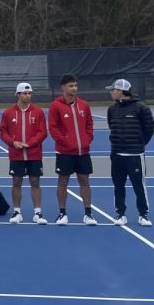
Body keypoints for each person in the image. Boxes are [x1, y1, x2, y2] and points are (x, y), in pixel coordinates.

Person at [106, 79, 154, 227]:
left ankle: (143, 215)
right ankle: (120, 214)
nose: (111, 92)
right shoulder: (112, 109)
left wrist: (139, 144)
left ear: (121, 91)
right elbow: (111, 125)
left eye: (113, 89)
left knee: (139, 186)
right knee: (118, 186)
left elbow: (150, 128)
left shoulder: (141, 108)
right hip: (117, 154)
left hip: (135, 155)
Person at [48, 73, 96, 226]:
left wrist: (87, 140)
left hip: (83, 152)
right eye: (71, 86)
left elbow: (89, 124)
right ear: (63, 87)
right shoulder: (56, 106)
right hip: (64, 152)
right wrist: (65, 142)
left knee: (85, 181)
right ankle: (62, 213)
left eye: (75, 85)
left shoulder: (84, 105)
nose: (74, 88)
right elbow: (53, 128)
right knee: (63, 181)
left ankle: (88, 214)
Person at [0, 82, 48, 224]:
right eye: (25, 93)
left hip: (34, 154)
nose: (28, 96)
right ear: (18, 95)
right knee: (16, 182)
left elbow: (42, 132)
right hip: (16, 154)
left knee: (35, 181)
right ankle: (16, 212)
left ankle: (38, 213)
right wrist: (13, 143)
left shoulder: (38, 112)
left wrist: (30, 143)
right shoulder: (8, 113)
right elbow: (3, 132)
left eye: (29, 93)